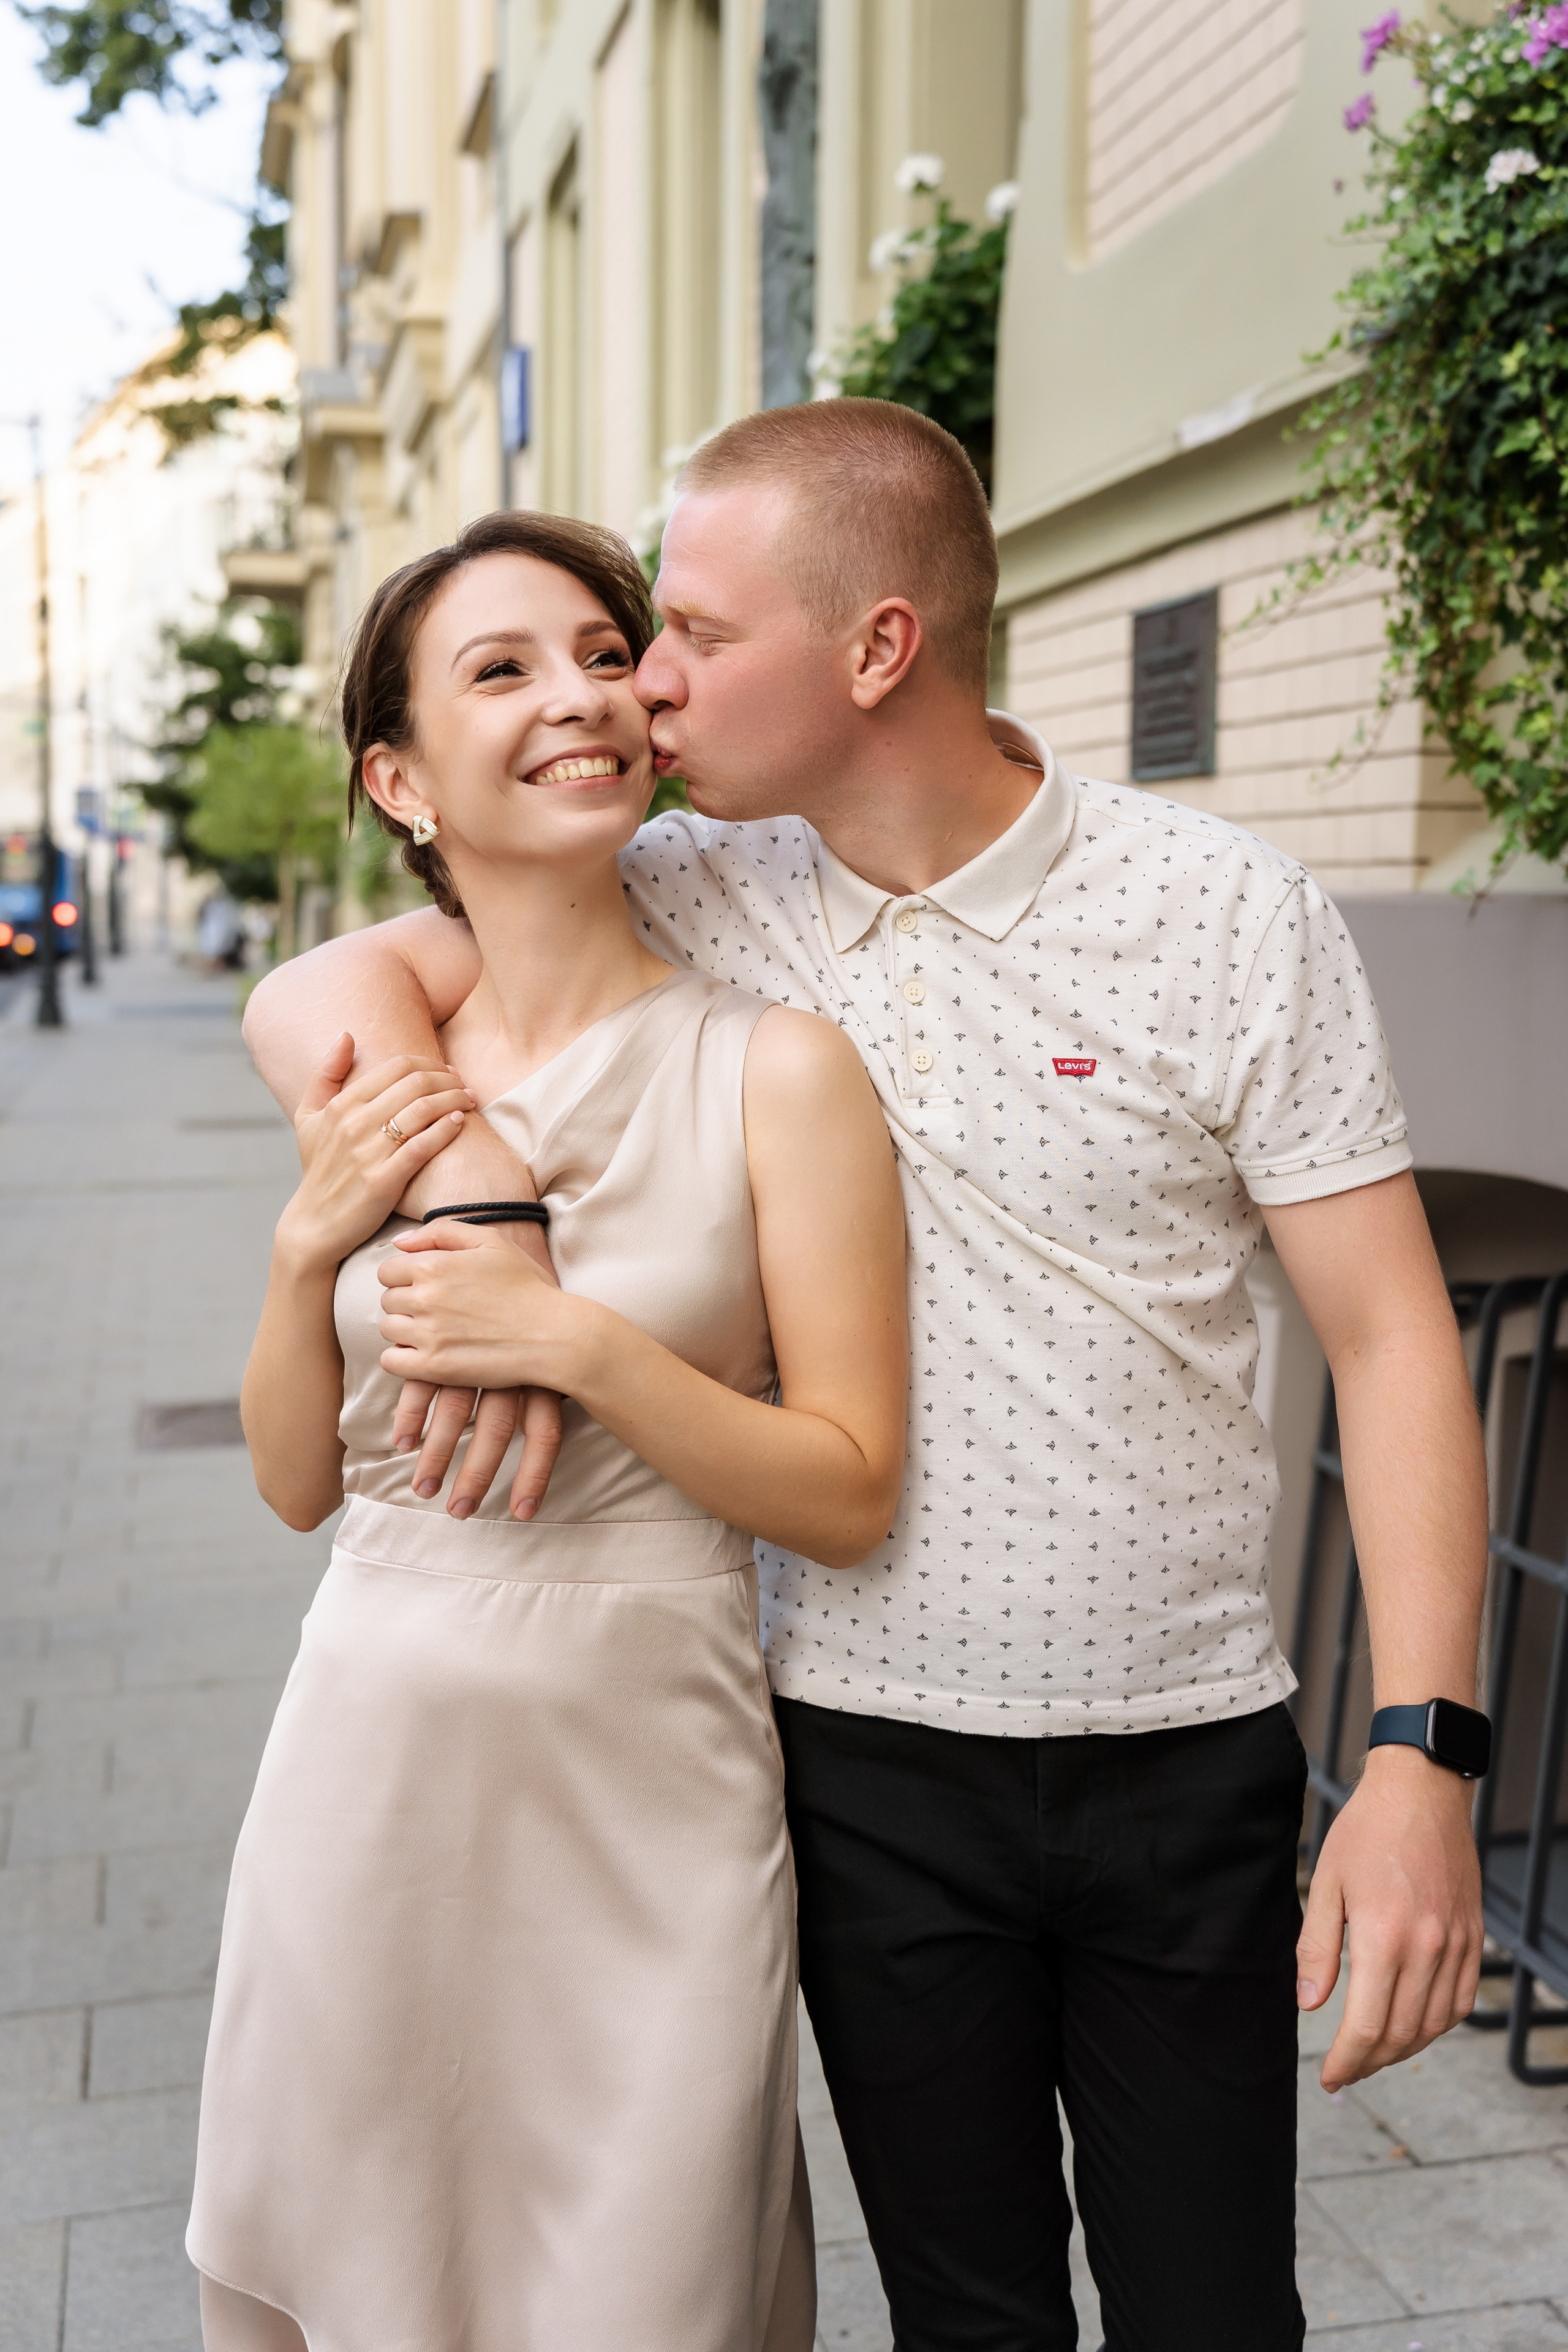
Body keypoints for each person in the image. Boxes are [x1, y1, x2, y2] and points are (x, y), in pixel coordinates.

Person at [244, 402, 1491, 2352]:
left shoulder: (1225, 912)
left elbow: (1395, 1337)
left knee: (1218, 2316)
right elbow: (340, 981)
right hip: (854, 1756)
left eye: (688, 635)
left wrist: (1421, 1758)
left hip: (1183, 1748)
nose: (643, 687)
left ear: (878, 648)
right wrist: (477, 1184)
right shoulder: (692, 883)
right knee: (962, 2320)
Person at [187, 510, 909, 2352]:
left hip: (652, 1775)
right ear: (400, 781)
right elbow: (299, 1486)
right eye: (500, 670)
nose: (576, 696)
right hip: (367, 1771)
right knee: (370, 2271)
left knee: (645, 2278)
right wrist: (300, 1258)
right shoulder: (383, 1082)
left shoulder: (775, 1065)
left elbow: (847, 1490)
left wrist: (574, 1342)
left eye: (602, 655)